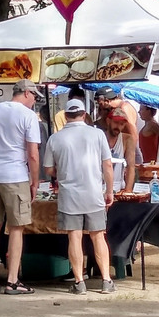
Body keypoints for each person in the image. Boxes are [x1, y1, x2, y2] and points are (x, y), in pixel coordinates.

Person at [0, 79, 43, 295]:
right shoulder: (28, 116)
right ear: (25, 93)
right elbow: (33, 154)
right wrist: (35, 181)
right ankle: (12, 280)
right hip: (15, 175)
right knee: (16, 228)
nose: (34, 100)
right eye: (34, 96)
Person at [43, 99, 116, 294]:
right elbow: (107, 165)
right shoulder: (97, 134)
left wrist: (62, 171)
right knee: (98, 236)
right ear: (84, 114)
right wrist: (109, 191)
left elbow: (48, 168)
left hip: (69, 195)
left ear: (65, 116)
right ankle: (106, 281)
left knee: (74, 238)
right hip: (93, 193)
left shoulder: (55, 139)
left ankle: (79, 281)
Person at [96, 86, 142, 190]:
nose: (119, 127)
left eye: (122, 124)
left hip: (118, 187)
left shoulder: (127, 138)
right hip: (99, 187)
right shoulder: (98, 136)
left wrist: (128, 190)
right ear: (109, 121)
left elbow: (131, 166)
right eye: (116, 123)